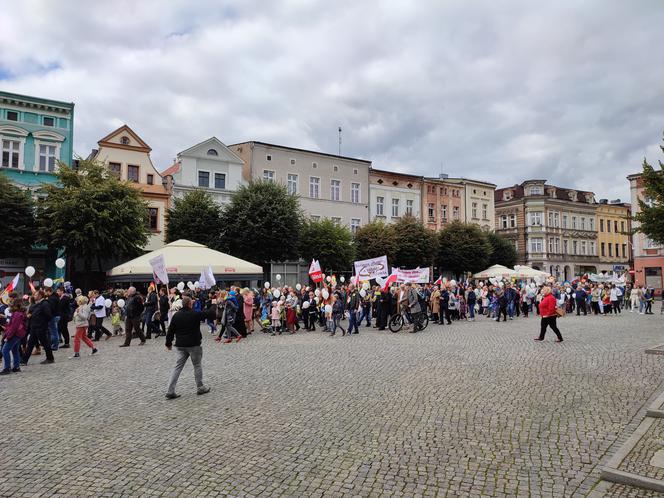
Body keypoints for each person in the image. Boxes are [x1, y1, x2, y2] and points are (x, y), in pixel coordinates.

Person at [164, 296, 213, 399]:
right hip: (193, 344)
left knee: (177, 367)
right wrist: (214, 303)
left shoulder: (176, 315)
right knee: (197, 365)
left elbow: (170, 331)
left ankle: (170, 390)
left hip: (180, 345)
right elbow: (210, 313)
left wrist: (168, 343)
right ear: (190, 304)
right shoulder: (194, 314)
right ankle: (200, 387)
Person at [22, 290, 55, 365]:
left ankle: (50, 358)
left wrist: (42, 322)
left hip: (41, 327)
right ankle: (24, 360)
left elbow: (48, 315)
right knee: (30, 343)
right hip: (34, 326)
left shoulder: (45, 304)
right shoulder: (37, 304)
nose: (34, 296)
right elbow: (34, 312)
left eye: (36, 295)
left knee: (45, 343)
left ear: (40, 295)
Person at [1, 299, 27, 374]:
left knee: (5, 350)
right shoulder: (19, 313)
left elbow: (14, 327)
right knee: (15, 350)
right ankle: (16, 367)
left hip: (15, 334)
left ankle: (7, 368)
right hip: (18, 334)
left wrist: (8, 337)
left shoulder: (17, 314)